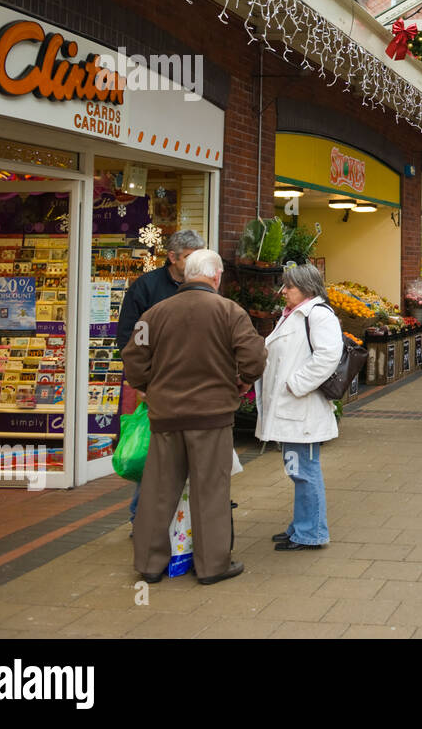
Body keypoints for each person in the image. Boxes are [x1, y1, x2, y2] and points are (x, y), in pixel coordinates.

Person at [122, 249, 266, 585]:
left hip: (166, 417)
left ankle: (148, 564)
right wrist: (242, 381)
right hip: (211, 417)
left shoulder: (154, 314)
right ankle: (212, 565)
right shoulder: (230, 311)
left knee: (158, 490)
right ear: (216, 276)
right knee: (210, 491)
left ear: (187, 275)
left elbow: (133, 359)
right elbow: (255, 356)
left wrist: (147, 386)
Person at [115, 228, 205, 530]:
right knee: (153, 456)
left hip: (192, 388)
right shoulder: (146, 287)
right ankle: (140, 519)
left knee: (186, 458)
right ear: (172, 257)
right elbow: (127, 338)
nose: (196, 264)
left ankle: (180, 524)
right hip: (153, 387)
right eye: (191, 258)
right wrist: (141, 384)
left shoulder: (203, 288)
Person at [255, 263, 341, 550]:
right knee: (298, 469)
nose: (284, 291)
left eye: (289, 286)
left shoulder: (318, 314)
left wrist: (295, 384)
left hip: (302, 409)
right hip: (290, 409)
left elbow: (328, 356)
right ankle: (301, 526)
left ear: (306, 287)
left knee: (305, 470)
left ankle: (311, 532)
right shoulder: (293, 314)